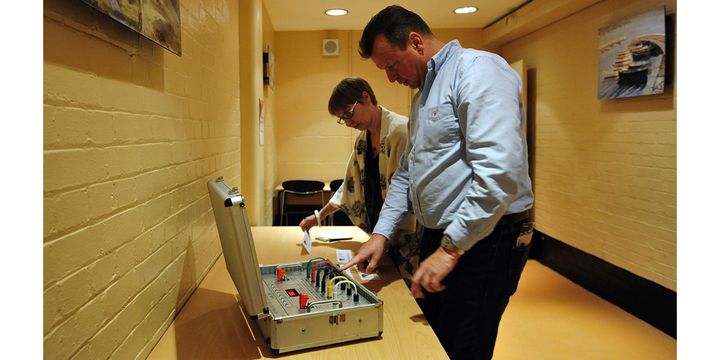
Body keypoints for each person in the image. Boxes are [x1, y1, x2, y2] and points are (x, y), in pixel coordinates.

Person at [339, 6, 534, 360]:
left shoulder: (478, 71)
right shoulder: (424, 95)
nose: (391, 79)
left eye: (392, 66)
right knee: (437, 344)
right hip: (444, 236)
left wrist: (450, 249)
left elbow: (499, 173)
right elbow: (407, 173)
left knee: (465, 347)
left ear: (416, 42)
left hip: (485, 239)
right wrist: (381, 235)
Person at [299, 77, 418, 286]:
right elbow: (351, 183)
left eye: (348, 113)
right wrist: (318, 217)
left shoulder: (399, 131)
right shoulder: (362, 140)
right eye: (342, 119)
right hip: (381, 234)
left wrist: (382, 238)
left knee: (408, 293)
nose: (348, 122)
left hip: (406, 237)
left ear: (366, 97)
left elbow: (403, 193)